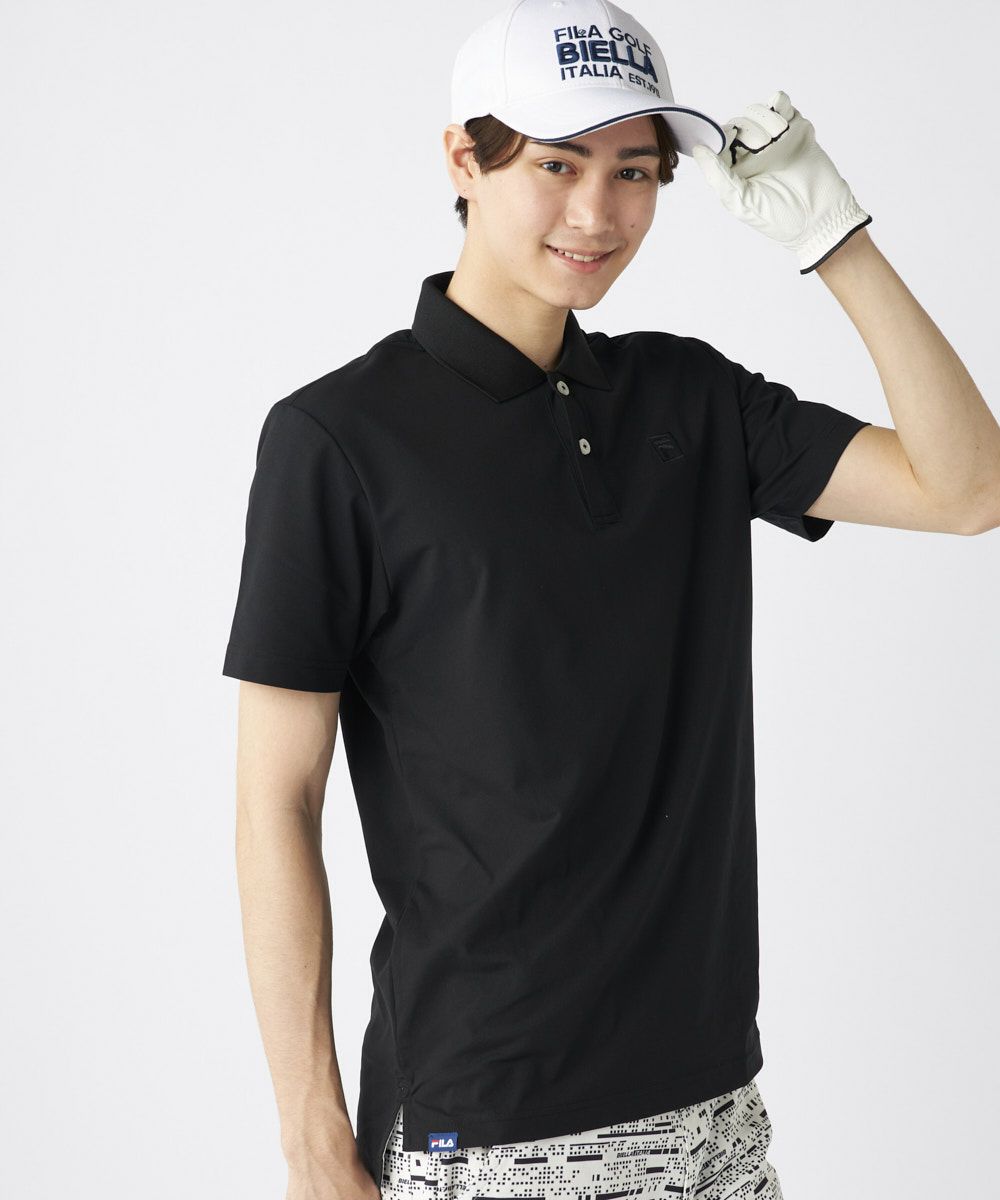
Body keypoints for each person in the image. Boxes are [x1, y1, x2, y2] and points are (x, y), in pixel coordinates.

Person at [222, 2, 1000, 1198]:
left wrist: (834, 240)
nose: (597, 213)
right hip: (490, 1132)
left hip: (714, 1112)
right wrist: (312, 1137)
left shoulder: (688, 399)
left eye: (634, 171)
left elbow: (967, 489)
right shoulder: (337, 439)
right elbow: (276, 800)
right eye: (556, 164)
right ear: (463, 159)